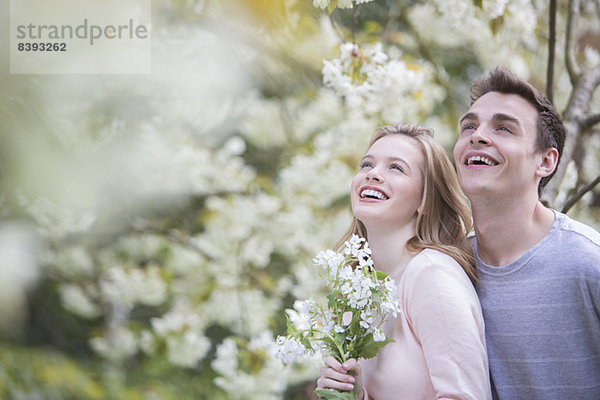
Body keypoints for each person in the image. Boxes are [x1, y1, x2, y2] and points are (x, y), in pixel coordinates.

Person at [453, 66, 600, 399]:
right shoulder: (449, 268)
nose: (478, 135)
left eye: (504, 128)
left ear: (546, 162)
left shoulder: (589, 263)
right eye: (470, 126)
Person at [316, 124, 492, 399]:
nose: (373, 174)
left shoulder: (431, 275)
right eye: (366, 165)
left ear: (426, 201)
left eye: (395, 168)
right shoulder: (354, 286)